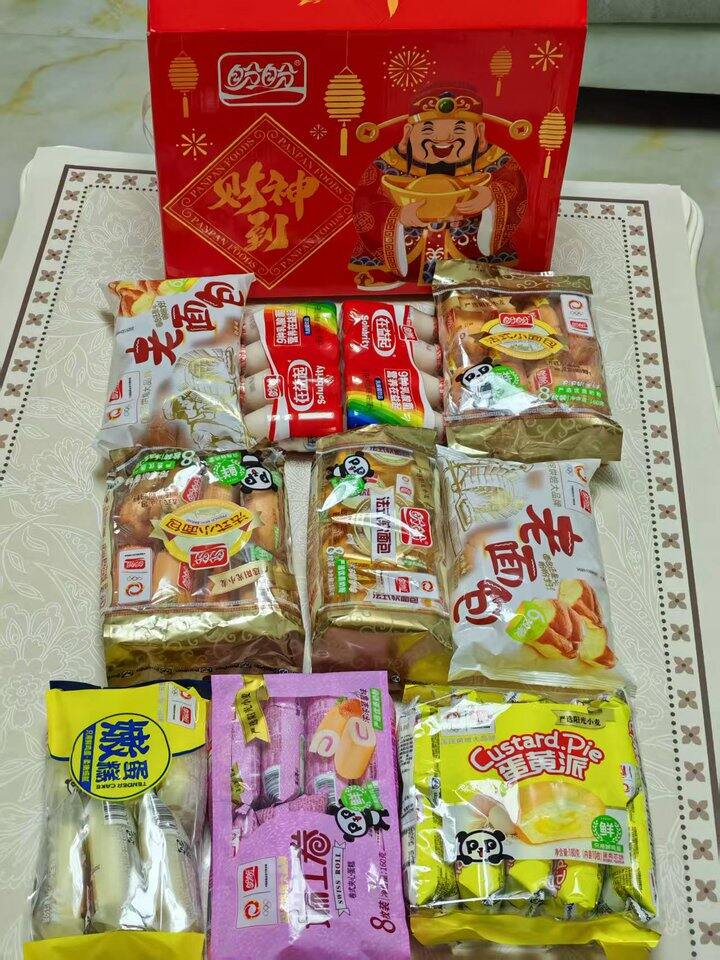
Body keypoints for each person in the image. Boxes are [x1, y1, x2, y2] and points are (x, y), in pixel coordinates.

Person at [349, 86, 527, 288]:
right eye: (428, 129)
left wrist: (491, 199)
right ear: (408, 133)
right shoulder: (389, 163)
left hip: (467, 240)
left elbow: (514, 190)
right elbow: (367, 202)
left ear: (479, 132)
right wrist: (398, 217)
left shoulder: (495, 161)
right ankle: (399, 276)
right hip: (409, 242)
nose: (443, 138)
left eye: (459, 129)